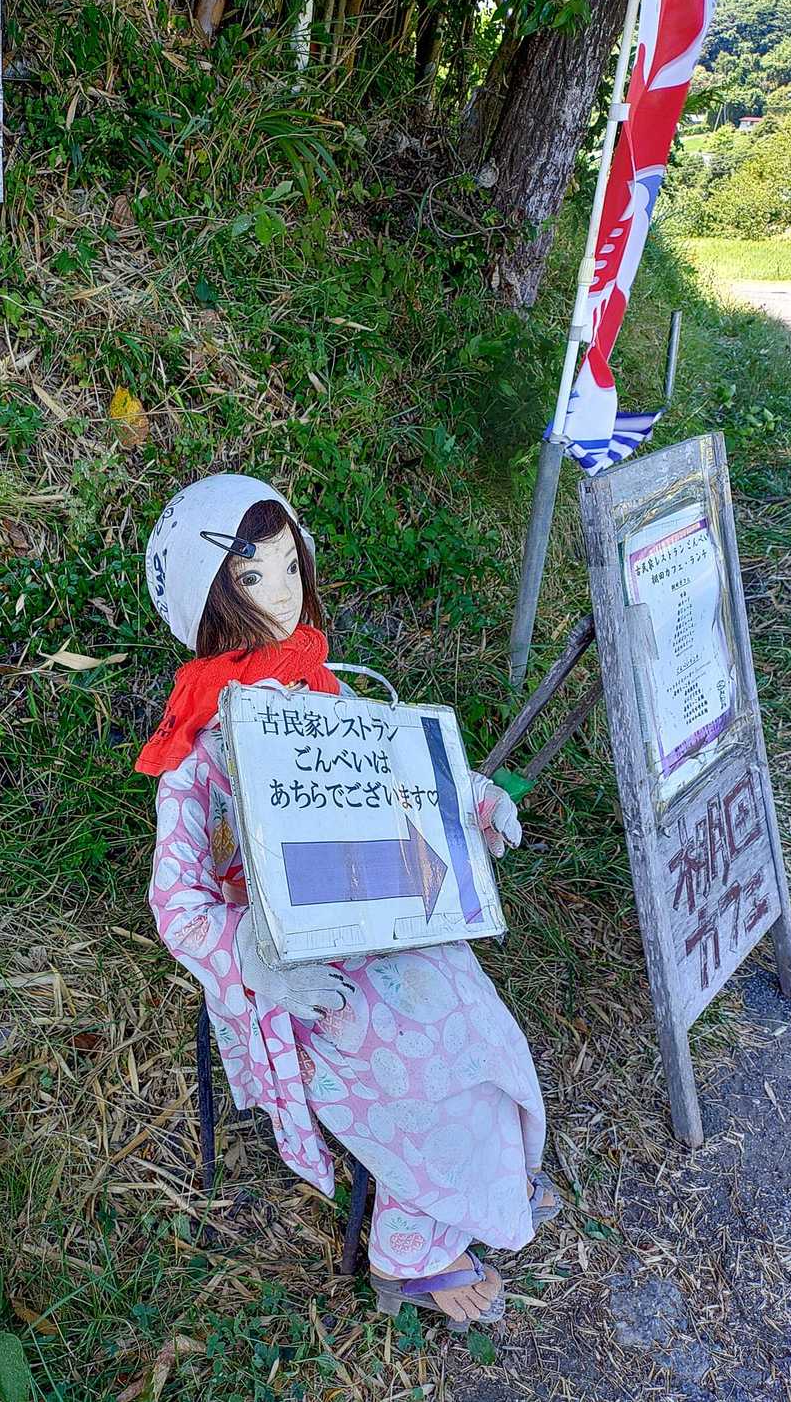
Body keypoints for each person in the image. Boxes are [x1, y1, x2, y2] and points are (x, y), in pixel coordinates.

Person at [135, 474, 558, 1330]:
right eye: (253, 576)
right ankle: (411, 1250)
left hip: (380, 912)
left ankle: (487, 1179)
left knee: (479, 1029)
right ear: (209, 596)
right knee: (412, 1074)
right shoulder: (198, 747)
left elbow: (397, 770)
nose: (282, 593)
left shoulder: (323, 686)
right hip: (293, 962)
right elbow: (177, 901)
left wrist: (473, 803)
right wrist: (250, 957)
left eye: (290, 566)